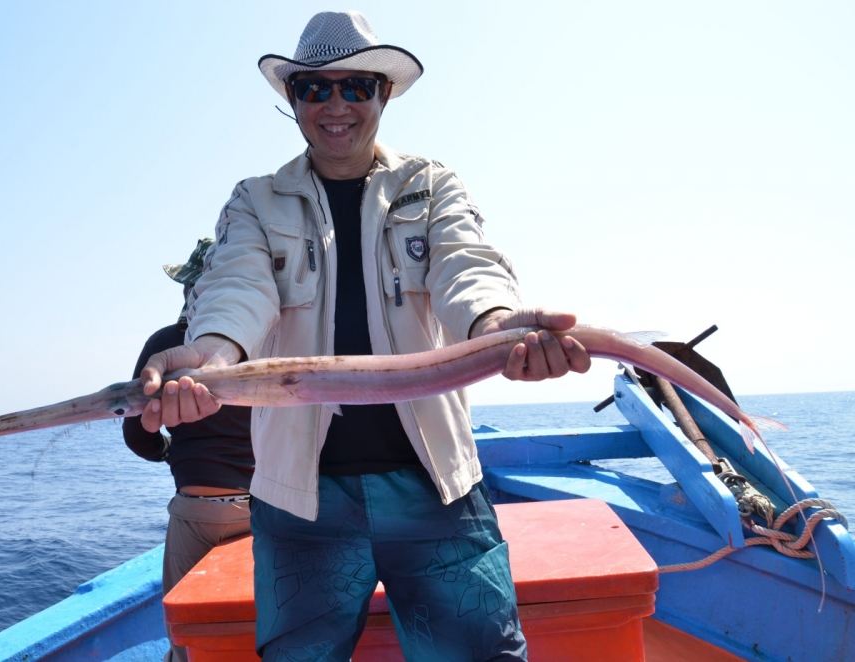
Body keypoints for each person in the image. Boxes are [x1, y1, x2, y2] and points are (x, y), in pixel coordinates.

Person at [140, 11, 591, 661]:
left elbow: (468, 268)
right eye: (314, 89)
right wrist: (212, 353)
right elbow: (237, 287)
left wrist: (498, 326)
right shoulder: (255, 202)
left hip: (436, 486)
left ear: (383, 93)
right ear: (293, 100)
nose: (335, 104)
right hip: (300, 500)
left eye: (355, 86)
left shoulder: (430, 186)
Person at [122, 238, 253, 662]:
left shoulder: (165, 344)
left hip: (197, 510)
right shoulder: (263, 342)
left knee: (186, 641)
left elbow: (137, 436)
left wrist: (168, 452)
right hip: (269, 508)